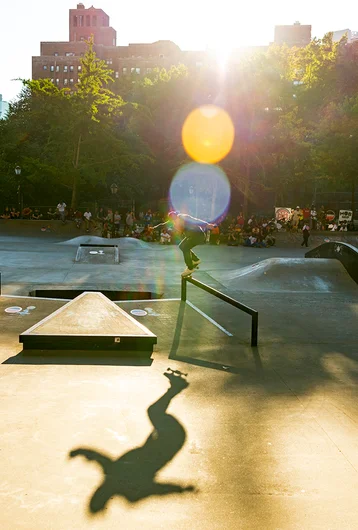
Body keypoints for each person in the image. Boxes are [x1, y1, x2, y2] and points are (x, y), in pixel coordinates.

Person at [152, 211, 216, 277]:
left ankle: (190, 268)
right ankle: (196, 260)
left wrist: (207, 224)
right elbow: (163, 225)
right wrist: (153, 228)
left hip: (198, 236)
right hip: (191, 236)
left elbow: (195, 220)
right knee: (181, 246)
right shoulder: (173, 221)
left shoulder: (183, 217)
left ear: (176, 215)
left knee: (185, 248)